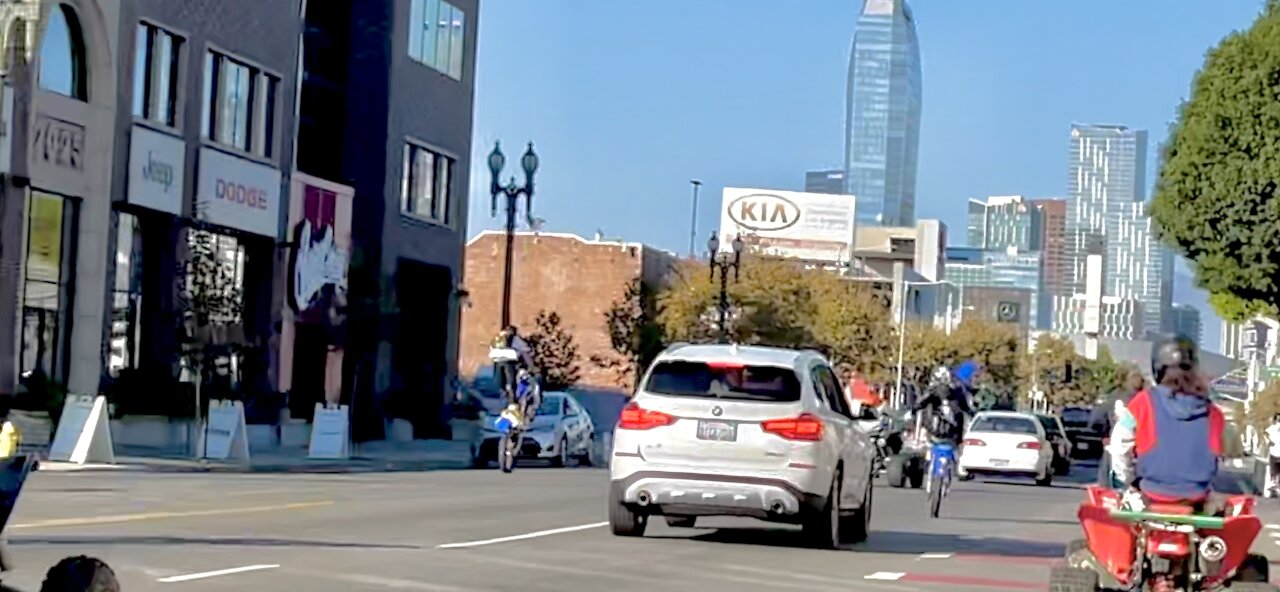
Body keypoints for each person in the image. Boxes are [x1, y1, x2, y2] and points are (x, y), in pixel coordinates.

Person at [1108, 335, 1222, 512]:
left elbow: (1120, 448)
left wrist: (1129, 480)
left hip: (1150, 493)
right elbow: (1217, 456)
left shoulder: (1141, 403)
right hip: (1196, 497)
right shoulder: (1214, 413)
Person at [1265, 414, 1280, 496]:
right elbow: (1266, 434)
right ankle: (1274, 487)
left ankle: (1276, 487)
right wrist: (1268, 442)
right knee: (1273, 472)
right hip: (1274, 453)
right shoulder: (1272, 429)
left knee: (1277, 472)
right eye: (1278, 420)